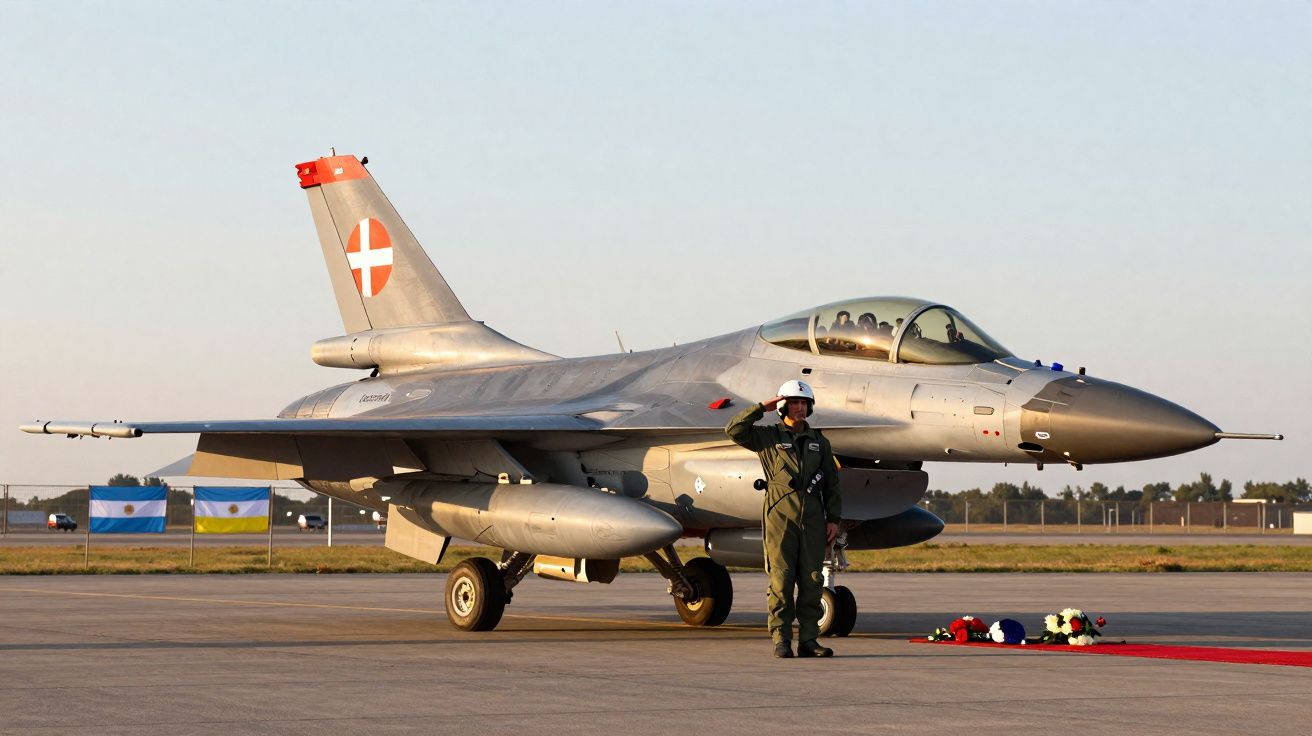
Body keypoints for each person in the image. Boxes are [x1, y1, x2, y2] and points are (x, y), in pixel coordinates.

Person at [725, 380, 842, 658]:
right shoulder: (768, 437)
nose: (799, 407)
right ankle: (781, 639)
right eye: (793, 403)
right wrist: (760, 408)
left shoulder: (820, 443)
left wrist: (834, 519)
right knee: (782, 579)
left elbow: (832, 484)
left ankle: (809, 640)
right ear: (782, 406)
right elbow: (734, 430)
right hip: (780, 515)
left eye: (803, 403)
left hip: (813, 518)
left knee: (812, 580)